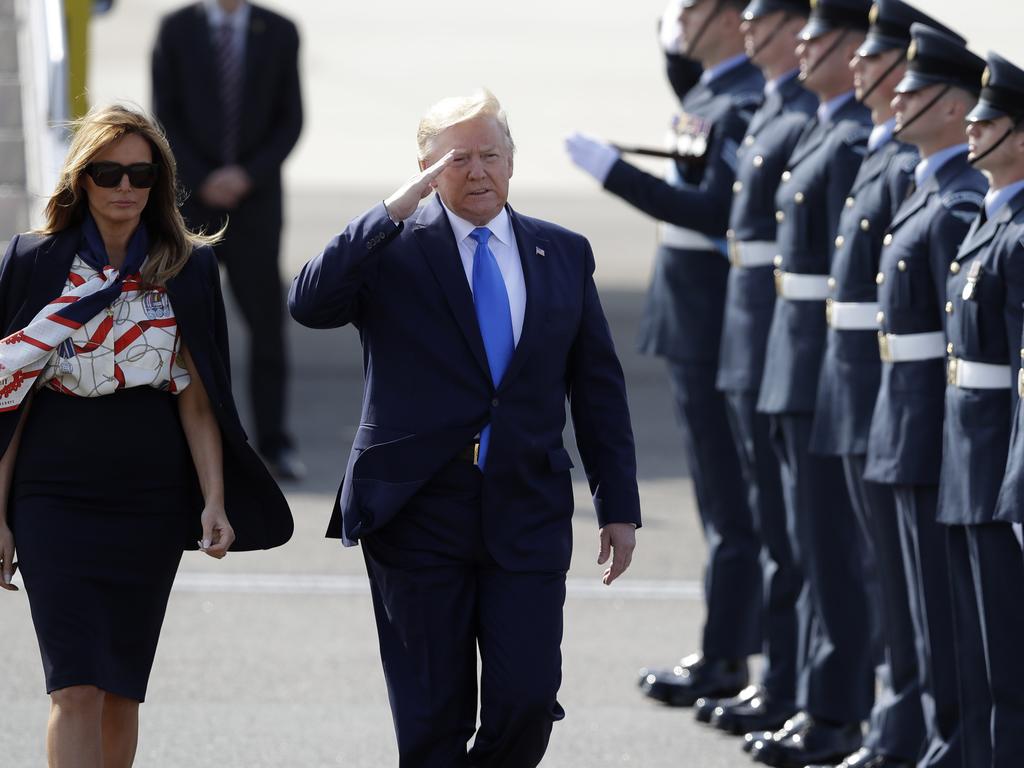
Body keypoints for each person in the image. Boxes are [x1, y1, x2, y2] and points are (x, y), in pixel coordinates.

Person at [289, 90, 641, 768]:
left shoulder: (562, 252)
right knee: (431, 715)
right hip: (416, 508)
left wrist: (618, 506)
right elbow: (309, 302)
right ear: (425, 170)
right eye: (457, 159)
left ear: (512, 161)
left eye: (491, 155)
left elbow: (597, 387)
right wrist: (392, 210)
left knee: (527, 698)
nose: (478, 172)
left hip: (526, 504)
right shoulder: (390, 251)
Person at [0, 104, 292, 768]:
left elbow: (198, 400)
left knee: (119, 692)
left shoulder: (185, 269)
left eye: (141, 172)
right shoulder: (34, 261)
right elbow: (7, 393)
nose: (126, 186)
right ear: (82, 181)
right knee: (73, 685)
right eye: (109, 172)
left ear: (158, 182)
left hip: (149, 498)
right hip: (52, 493)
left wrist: (214, 501)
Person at [566, 0, 766, 709]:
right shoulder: (714, 88)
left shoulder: (743, 97)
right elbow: (685, 89)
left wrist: (613, 173)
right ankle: (731, 648)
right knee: (722, 501)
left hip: (717, 318)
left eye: (690, 8)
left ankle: (729, 655)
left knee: (732, 503)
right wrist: (669, 44)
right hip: (692, 316)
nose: (678, 18)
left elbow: (712, 208)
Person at [806, 5, 958, 768]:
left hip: (901, 393)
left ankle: (916, 729)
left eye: (877, 61)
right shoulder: (890, 154)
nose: (864, 73)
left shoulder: (911, 166)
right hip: (866, 382)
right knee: (892, 583)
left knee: (919, 588)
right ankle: (899, 725)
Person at [747, 1, 875, 765]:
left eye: (818, 37)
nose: (802, 45)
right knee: (804, 543)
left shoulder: (851, 139)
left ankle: (837, 712)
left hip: (826, 368)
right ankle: (813, 699)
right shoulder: (826, 126)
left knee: (832, 552)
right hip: (793, 358)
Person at [862, 23, 988, 768]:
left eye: (912, 90)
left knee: (944, 612)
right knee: (911, 606)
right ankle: (918, 736)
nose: (894, 100)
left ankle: (953, 743)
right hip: (898, 412)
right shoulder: (929, 186)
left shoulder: (960, 198)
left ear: (950, 105)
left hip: (933, 426)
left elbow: (963, 336)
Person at [700, 0, 816, 739]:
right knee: (777, 526)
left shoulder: (805, 118)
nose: (748, 35)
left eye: (767, 24)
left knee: (803, 535)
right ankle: (784, 679)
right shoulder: (777, 109)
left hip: (793, 340)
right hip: (761, 334)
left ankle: (803, 687)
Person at [151, 0, 305, 479]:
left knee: (266, 325)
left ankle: (273, 443)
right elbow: (164, 115)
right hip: (188, 200)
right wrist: (201, 178)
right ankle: (173, 440)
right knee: (175, 323)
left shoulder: (278, 30)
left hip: (255, 203)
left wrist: (246, 175)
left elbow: (290, 119)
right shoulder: (176, 29)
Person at [940, 51, 1024, 768]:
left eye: (987, 119)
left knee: (1010, 658)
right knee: (977, 646)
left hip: (1002, 463)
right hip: (969, 455)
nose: (971, 127)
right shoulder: (993, 219)